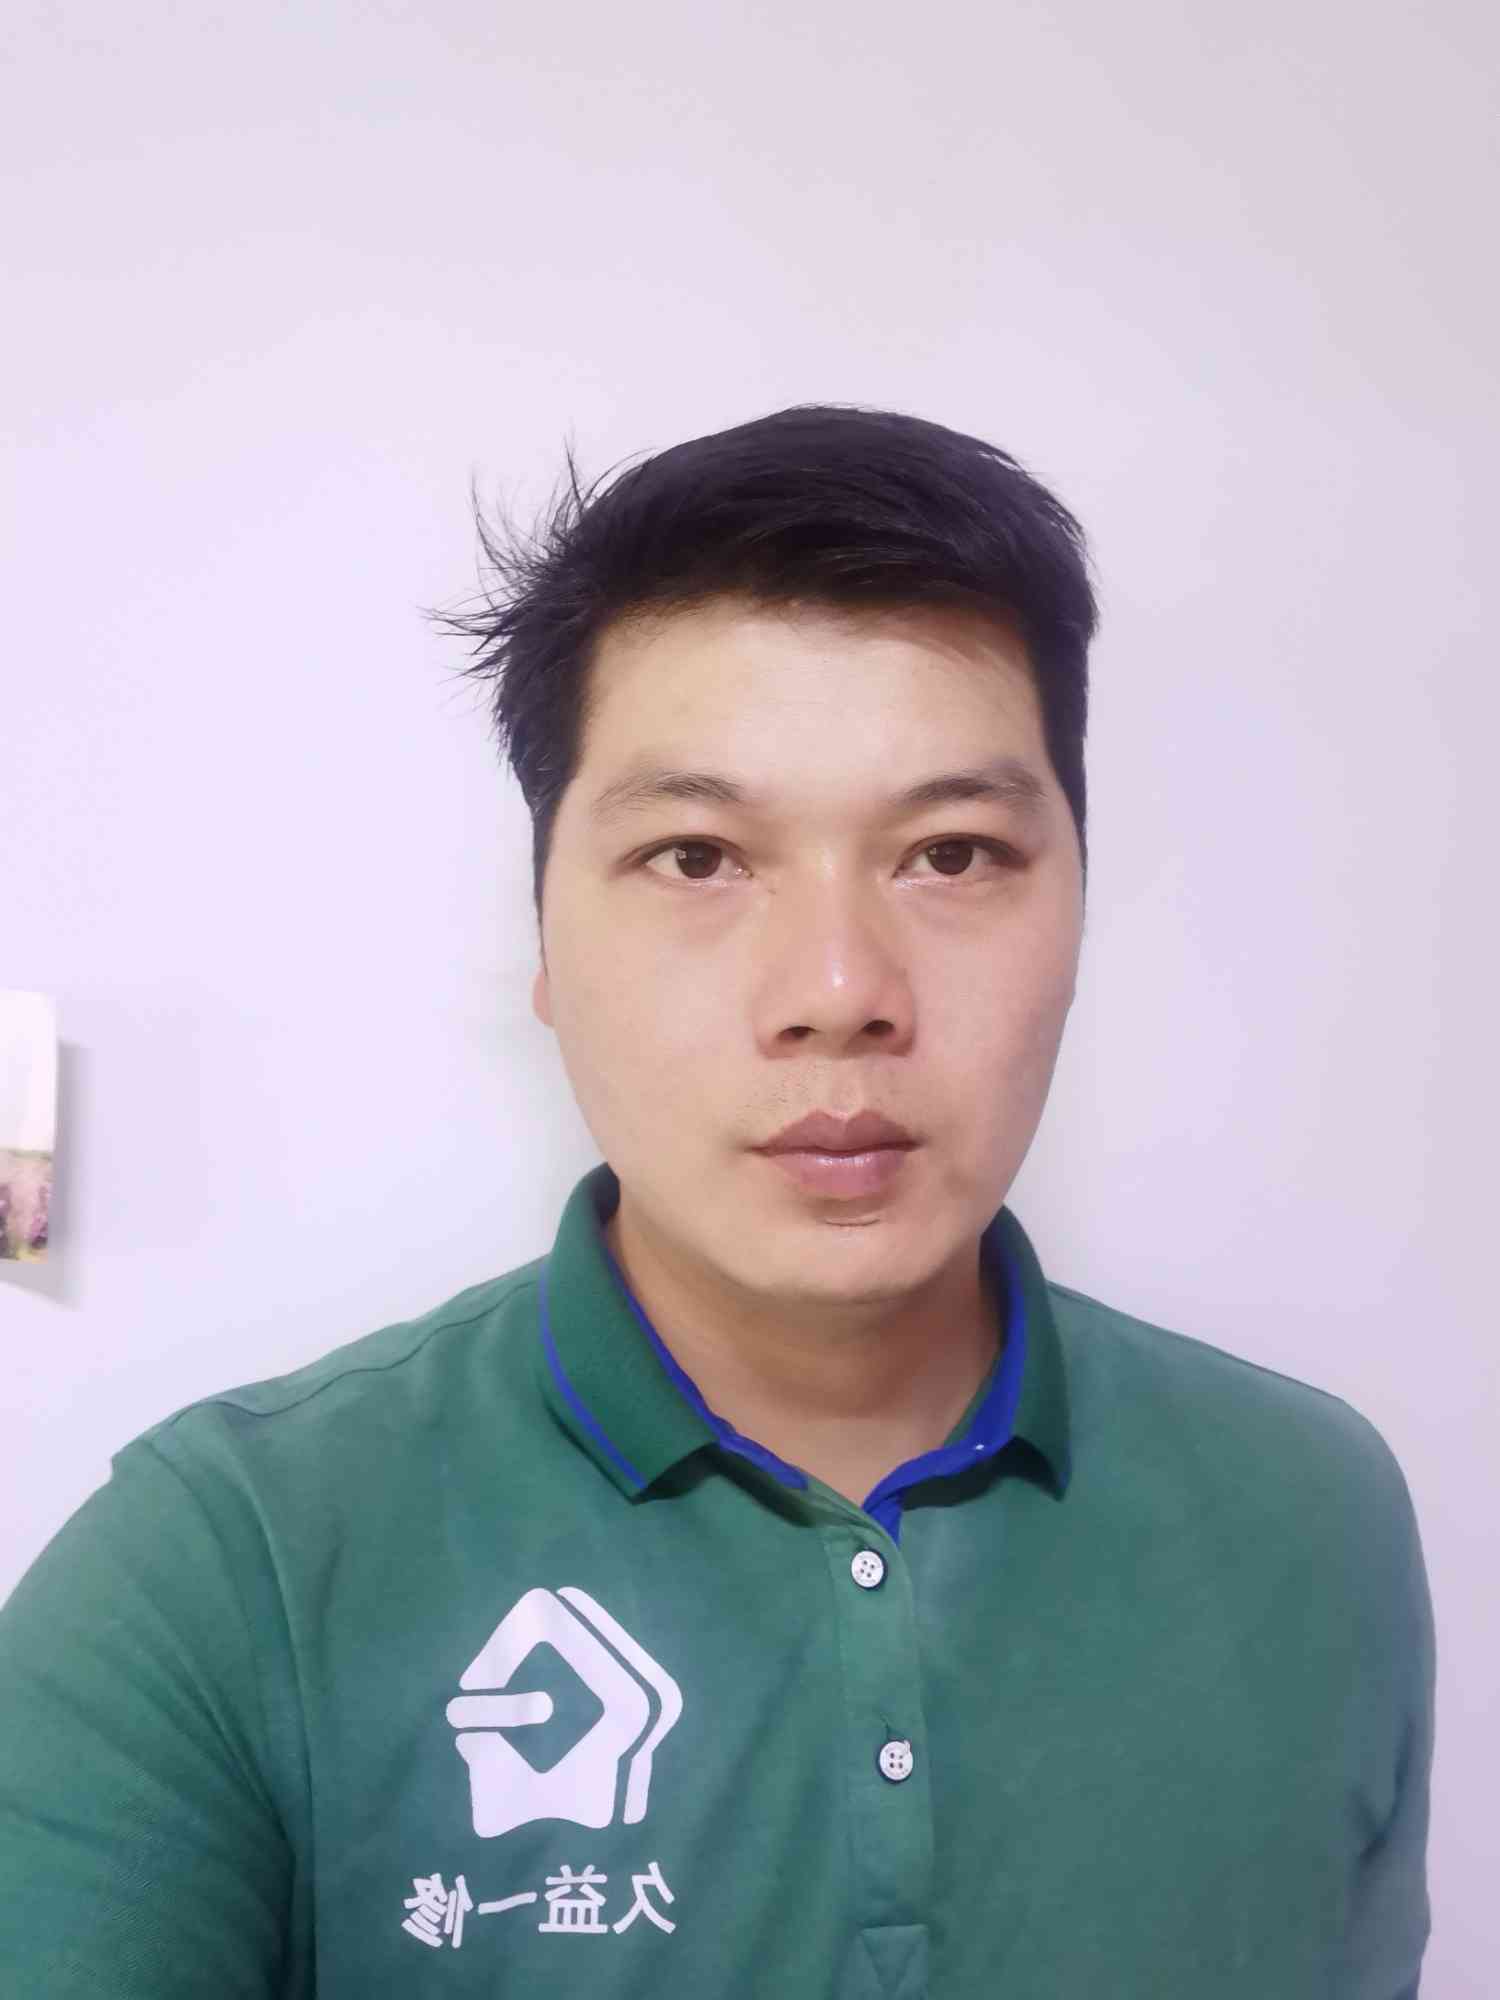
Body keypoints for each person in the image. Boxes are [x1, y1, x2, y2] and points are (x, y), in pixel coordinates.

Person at [0, 404, 1434, 1997]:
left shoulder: (1317, 1514)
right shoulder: (221, 1572)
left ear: (1081, 908)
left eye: (954, 855)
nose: (838, 991)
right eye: (697, 858)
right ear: (544, 947)